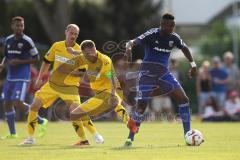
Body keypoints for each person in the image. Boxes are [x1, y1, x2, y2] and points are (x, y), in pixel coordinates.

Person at [19, 24, 103, 145]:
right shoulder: (57, 46)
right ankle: (30, 138)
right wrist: (39, 78)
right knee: (33, 106)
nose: (73, 36)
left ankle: (91, 137)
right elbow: (47, 62)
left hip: (70, 87)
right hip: (52, 85)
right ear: (66, 32)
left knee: (76, 112)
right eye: (71, 33)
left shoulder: (80, 52)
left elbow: (81, 74)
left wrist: (65, 72)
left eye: (76, 34)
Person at [124, 13, 197, 146]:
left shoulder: (174, 38)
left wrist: (193, 64)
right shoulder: (151, 34)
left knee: (183, 99)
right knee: (141, 105)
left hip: (164, 74)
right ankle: (130, 138)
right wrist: (128, 49)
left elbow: (185, 48)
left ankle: (188, 134)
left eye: (173, 26)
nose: (172, 28)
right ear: (163, 25)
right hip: (147, 74)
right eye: (170, 26)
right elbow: (131, 42)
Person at [0, 16, 47, 139]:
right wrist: (2, 64)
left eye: (21, 25)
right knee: (7, 103)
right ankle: (13, 133)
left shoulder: (27, 41)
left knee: (18, 103)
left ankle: (41, 121)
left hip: (22, 77)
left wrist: (19, 62)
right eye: (17, 25)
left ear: (23, 26)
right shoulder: (8, 40)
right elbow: (6, 56)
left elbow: (36, 57)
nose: (19, 27)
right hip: (10, 77)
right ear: (12, 26)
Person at [66, 40, 130, 127]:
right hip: (97, 94)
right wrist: (73, 52)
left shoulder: (105, 61)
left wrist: (112, 94)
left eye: (87, 54)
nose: (85, 57)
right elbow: (81, 53)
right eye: (84, 54)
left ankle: (129, 122)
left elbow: (111, 78)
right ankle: (91, 137)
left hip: (110, 89)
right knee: (74, 115)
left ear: (94, 50)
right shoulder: (86, 55)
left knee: (114, 102)